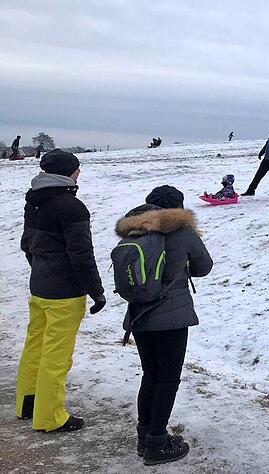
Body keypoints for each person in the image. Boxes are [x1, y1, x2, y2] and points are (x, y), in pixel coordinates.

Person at [115, 185, 212, 466]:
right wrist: (181, 271)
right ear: (177, 208)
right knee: (168, 379)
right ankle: (157, 442)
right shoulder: (181, 230)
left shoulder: (134, 229)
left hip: (140, 314)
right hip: (172, 315)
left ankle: (144, 436)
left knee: (151, 375)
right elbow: (204, 266)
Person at [17, 149, 106, 432]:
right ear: (68, 172)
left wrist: (39, 267)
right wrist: (96, 290)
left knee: (35, 346)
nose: (79, 173)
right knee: (57, 355)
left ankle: (28, 403)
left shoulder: (34, 201)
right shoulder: (71, 207)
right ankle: (49, 417)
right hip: (64, 293)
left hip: (40, 286)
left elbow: (26, 244)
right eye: (77, 168)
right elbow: (81, 254)